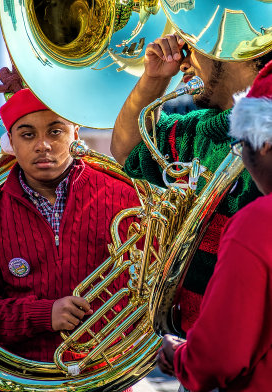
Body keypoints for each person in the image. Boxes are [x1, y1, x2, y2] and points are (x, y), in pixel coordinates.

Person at [0, 71, 139, 390]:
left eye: (55, 130)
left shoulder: (124, 196)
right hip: (24, 379)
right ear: (10, 141)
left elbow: (150, 287)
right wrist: (43, 314)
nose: (43, 145)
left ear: (75, 131)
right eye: (27, 134)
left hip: (107, 377)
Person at [110, 33, 272, 335]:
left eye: (192, 44)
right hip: (198, 353)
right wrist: (153, 79)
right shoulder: (202, 129)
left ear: (232, 48)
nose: (182, 59)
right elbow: (127, 150)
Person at [157, 60, 272, 392]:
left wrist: (177, 357)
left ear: (263, 143)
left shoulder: (257, 223)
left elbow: (218, 358)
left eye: (240, 144)